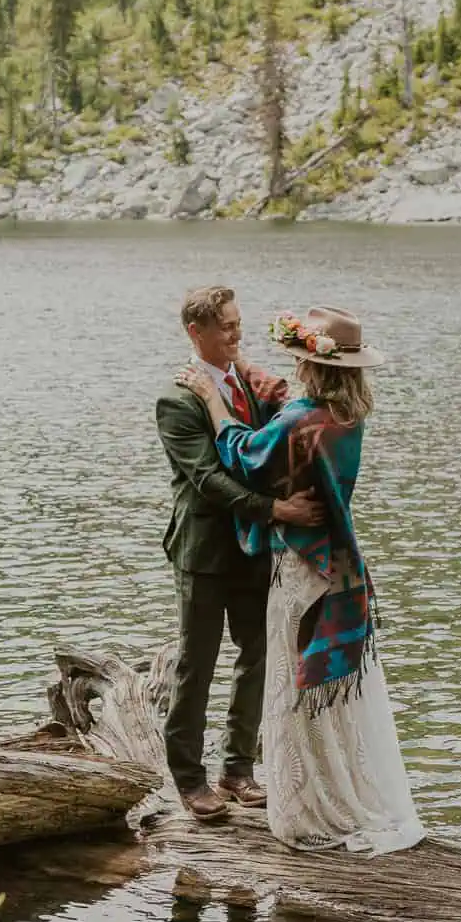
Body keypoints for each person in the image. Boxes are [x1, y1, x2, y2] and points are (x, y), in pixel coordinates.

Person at [178, 304, 425, 857]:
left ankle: (311, 808)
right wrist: (241, 363)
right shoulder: (345, 414)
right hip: (339, 568)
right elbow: (287, 404)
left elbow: (241, 452)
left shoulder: (301, 421)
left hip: (301, 570)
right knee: (330, 699)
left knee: (297, 690)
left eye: (299, 360)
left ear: (314, 366)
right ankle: (337, 790)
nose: (293, 370)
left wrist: (216, 400)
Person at [156, 285, 325, 826]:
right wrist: (280, 510)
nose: (235, 332)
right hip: (204, 552)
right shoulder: (178, 400)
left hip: (252, 550)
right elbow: (209, 481)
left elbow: (279, 424)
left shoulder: (246, 384)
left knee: (258, 655)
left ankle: (237, 769)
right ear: (195, 332)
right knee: (196, 665)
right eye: (225, 326)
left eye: (237, 323)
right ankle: (188, 779)